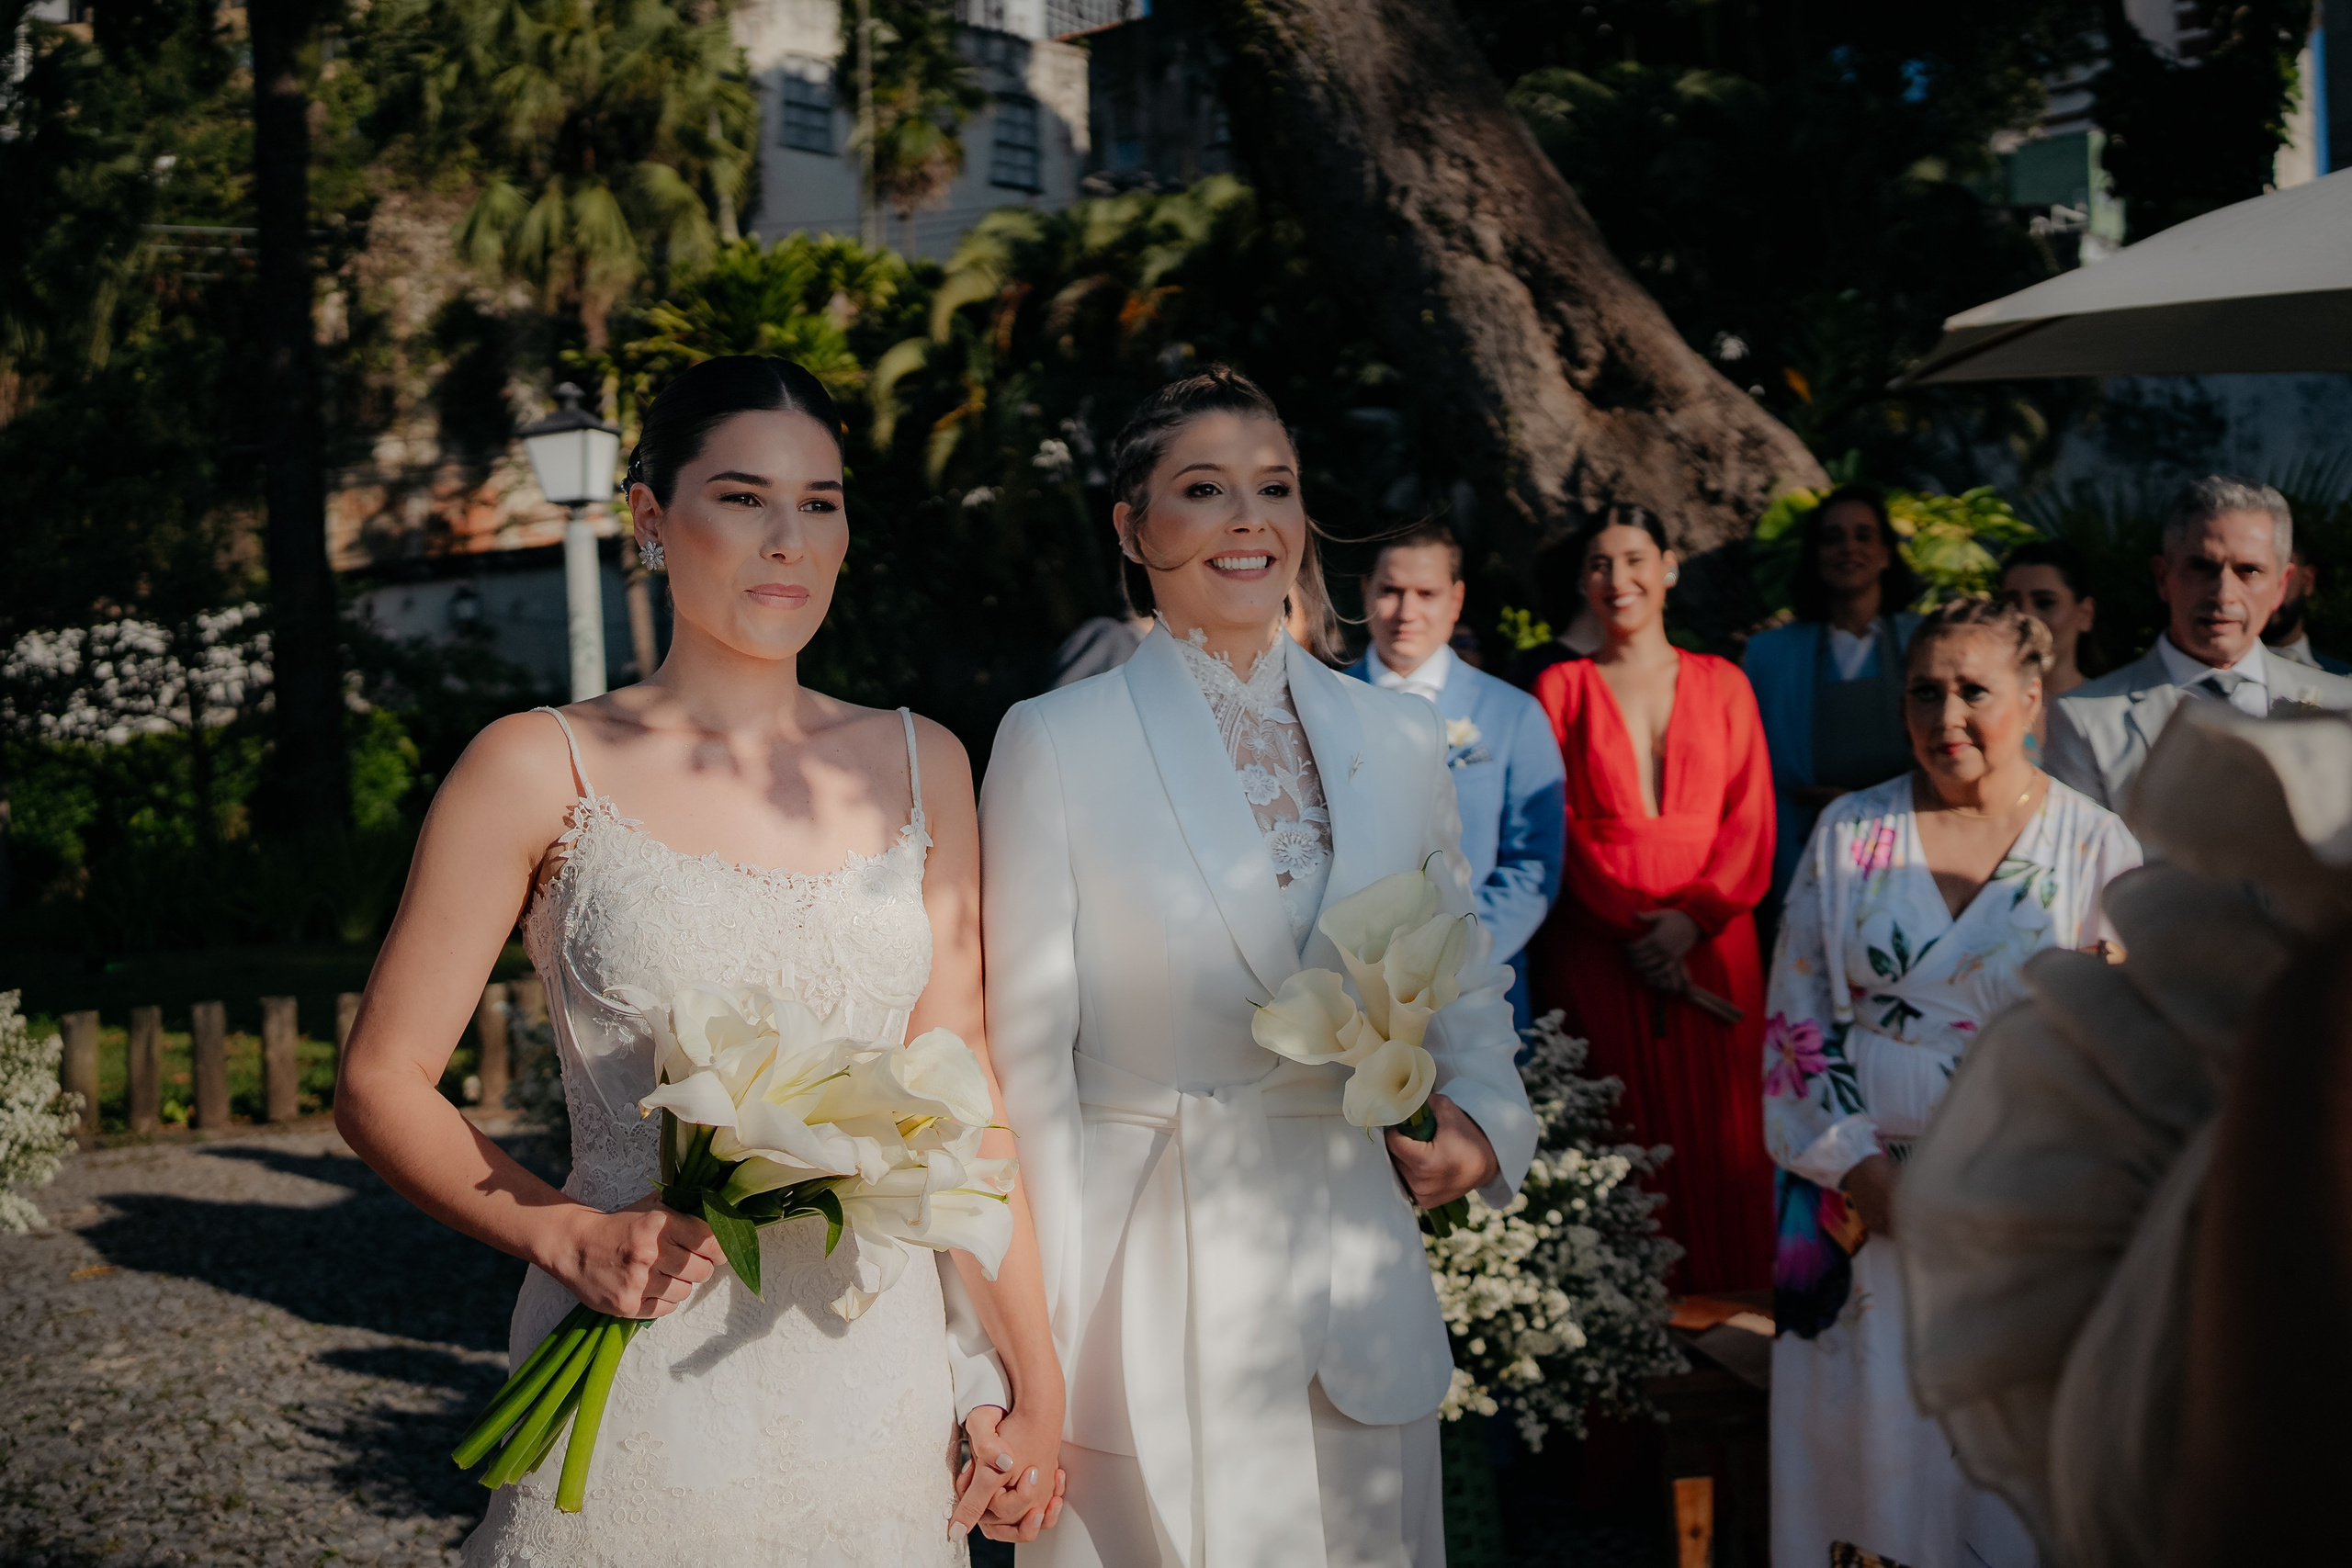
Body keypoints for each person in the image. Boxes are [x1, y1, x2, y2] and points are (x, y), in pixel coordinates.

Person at [333, 357, 1066, 1563]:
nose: (789, 539)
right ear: (649, 517)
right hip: (640, 1352)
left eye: (820, 502)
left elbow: (961, 1092)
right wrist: (563, 1233)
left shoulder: (924, 757)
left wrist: (1029, 1374)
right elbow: (381, 1077)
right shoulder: (535, 764)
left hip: (870, 1384)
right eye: (742, 496)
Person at [980, 367, 1536, 1567]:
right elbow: (1020, 1073)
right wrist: (1022, 1358)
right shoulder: (1053, 741)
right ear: (1132, 526)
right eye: (1203, 487)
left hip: (1355, 1286)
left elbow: (1464, 968)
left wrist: (1483, 1119)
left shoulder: (1394, 734)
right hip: (1136, 1296)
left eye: (1273, 486)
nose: (1249, 518)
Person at [1764, 595, 2140, 1568]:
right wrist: (1862, 1174)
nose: (1946, 717)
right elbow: (1795, 1025)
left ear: (2032, 700)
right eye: (1924, 692)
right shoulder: (1849, 835)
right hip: (1862, 1211)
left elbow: (2134, 1050)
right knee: (1870, 1458)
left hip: (2032, 1220)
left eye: (1973, 690)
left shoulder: (2096, 846)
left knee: (2014, 1464)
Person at [1526, 507, 1778, 1294]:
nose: (1618, 579)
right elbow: (1552, 825)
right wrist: (1634, 928)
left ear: (1670, 565)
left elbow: (1752, 820)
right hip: (1601, 947)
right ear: (1582, 582)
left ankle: (1744, 1334)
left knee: (1726, 1138)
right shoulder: (1558, 687)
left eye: (1635, 559)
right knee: (1619, 1136)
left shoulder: (1726, 682)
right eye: (1599, 565)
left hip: (1714, 939)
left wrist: (1689, 920)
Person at [1346, 519, 1566, 1028]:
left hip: (1477, 987)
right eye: (1391, 591)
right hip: (1349, 986)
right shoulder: (1318, 704)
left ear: (1456, 599)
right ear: (1365, 591)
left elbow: (1532, 861)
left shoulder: (1513, 715)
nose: (1407, 612)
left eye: (1427, 593)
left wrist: (1453, 958)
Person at [2047, 476, 2352, 812]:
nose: (2223, 594)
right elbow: (2080, 857)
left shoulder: (2340, 704)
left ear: (2282, 585)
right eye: (2202, 567)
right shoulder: (2086, 718)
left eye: (2248, 571)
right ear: (2163, 577)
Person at [1742, 485, 1924, 923]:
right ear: (1815, 555)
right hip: (1804, 855)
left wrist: (1859, 806)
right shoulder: (1768, 657)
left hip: (1913, 854)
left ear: (1885, 553)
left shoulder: (1926, 643)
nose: (1849, 548)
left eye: (1864, 535)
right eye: (1833, 537)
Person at [2264, 538, 2352, 675]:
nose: (2271, 586)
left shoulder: (2344, 681)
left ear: (2307, 580)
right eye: (2251, 570)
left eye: (2281, 569)